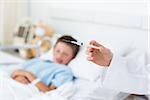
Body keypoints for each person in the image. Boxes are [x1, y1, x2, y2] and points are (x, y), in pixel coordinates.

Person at [11, 35, 80, 92]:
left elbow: (49, 91)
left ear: (73, 57)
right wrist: (19, 76)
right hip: (13, 82)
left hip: (27, 89)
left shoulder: (64, 71)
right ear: (53, 50)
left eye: (65, 54)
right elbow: (15, 71)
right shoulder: (41, 61)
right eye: (58, 51)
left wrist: (28, 75)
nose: (59, 56)